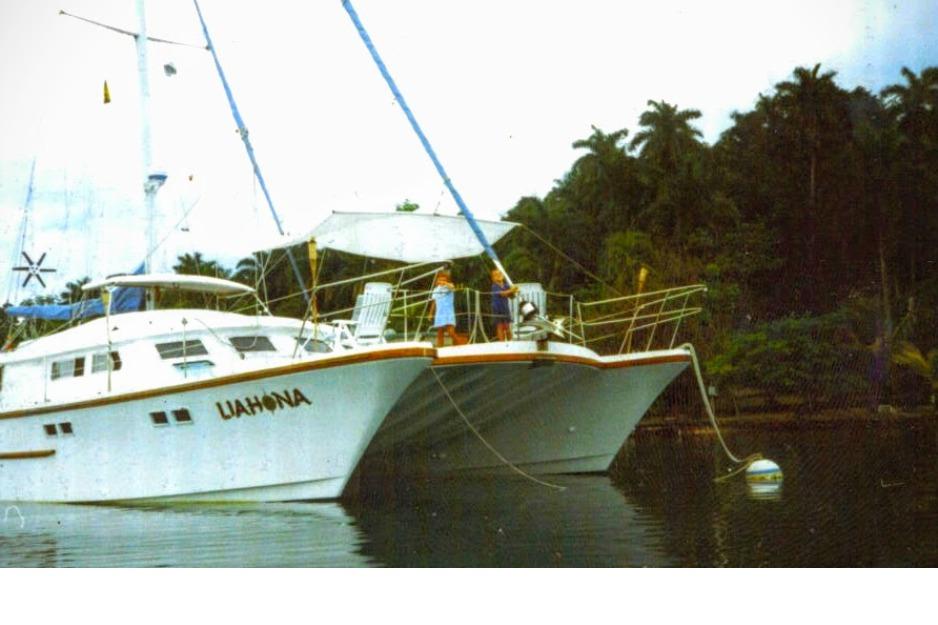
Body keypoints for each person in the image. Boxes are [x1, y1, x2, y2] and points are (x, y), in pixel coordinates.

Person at [429, 270, 458, 347]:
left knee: (450, 332)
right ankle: (440, 348)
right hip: (439, 312)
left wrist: (445, 283)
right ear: (437, 280)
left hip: (448, 312)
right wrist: (431, 313)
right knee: (440, 332)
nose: (441, 281)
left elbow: (453, 287)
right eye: (440, 279)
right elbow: (434, 303)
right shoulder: (436, 290)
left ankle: (460, 345)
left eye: (444, 279)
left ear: (447, 280)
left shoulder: (449, 287)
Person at [490, 268, 518, 341]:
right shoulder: (494, 286)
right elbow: (502, 294)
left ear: (503, 275)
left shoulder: (506, 285)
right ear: (493, 279)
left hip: (505, 307)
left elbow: (511, 296)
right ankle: (501, 342)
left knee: (507, 326)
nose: (498, 275)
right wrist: (511, 290)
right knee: (500, 326)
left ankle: (510, 341)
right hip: (497, 308)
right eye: (496, 275)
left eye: (500, 274)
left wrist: (514, 291)